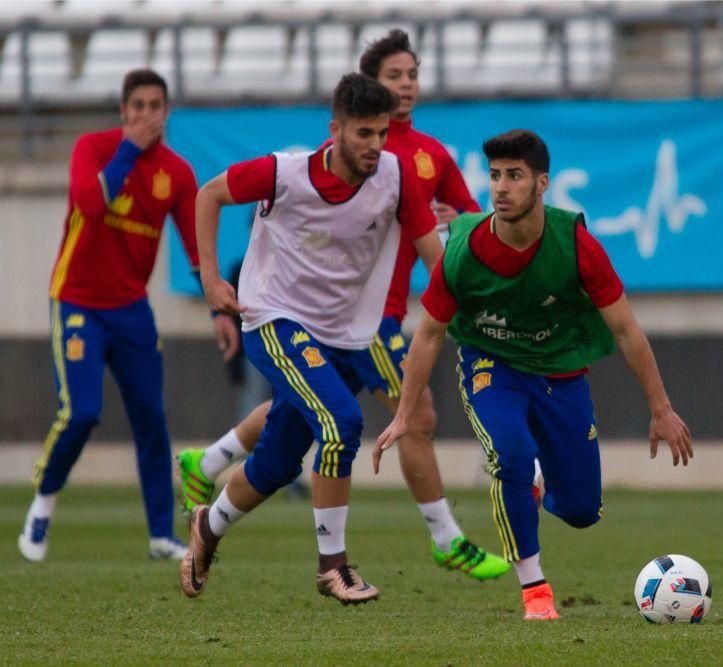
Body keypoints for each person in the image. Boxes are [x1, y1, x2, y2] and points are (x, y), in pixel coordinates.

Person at [176, 30, 508, 580]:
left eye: (412, 75)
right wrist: (211, 280)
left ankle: (208, 507)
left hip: (354, 324)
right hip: (298, 318)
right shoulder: (292, 171)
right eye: (393, 77)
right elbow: (209, 193)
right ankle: (362, 559)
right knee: (355, 416)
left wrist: (469, 291)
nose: (404, 88)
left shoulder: (412, 167)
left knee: (286, 448)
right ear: (343, 121)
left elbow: (446, 243)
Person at [376, 129, 694, 621]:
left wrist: (662, 408)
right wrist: (402, 415)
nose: (501, 188)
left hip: (560, 372)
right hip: (490, 364)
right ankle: (535, 588)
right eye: (496, 176)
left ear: (543, 183)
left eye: (515, 176)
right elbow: (430, 334)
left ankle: (542, 485)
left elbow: (627, 330)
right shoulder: (462, 252)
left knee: (583, 511)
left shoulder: (577, 245)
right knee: (511, 454)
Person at [17, 69, 239, 563]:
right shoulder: (94, 149)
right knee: (82, 412)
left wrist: (216, 311)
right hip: (76, 300)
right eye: (136, 105)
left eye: (155, 105)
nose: (145, 114)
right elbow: (91, 206)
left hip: (131, 311)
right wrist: (128, 152)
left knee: (151, 420)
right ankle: (43, 502)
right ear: (123, 111)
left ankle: (162, 534)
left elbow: (192, 245)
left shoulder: (176, 173)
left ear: (166, 112)